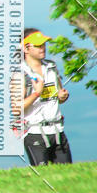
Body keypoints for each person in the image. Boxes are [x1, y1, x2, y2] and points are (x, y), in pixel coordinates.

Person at [17, 27, 72, 165]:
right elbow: (17, 108)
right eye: (37, 45)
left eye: (43, 44)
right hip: (35, 132)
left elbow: (58, 95)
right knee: (43, 178)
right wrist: (36, 93)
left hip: (58, 130)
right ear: (26, 49)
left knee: (67, 178)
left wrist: (62, 96)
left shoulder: (51, 67)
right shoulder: (20, 74)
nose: (42, 48)